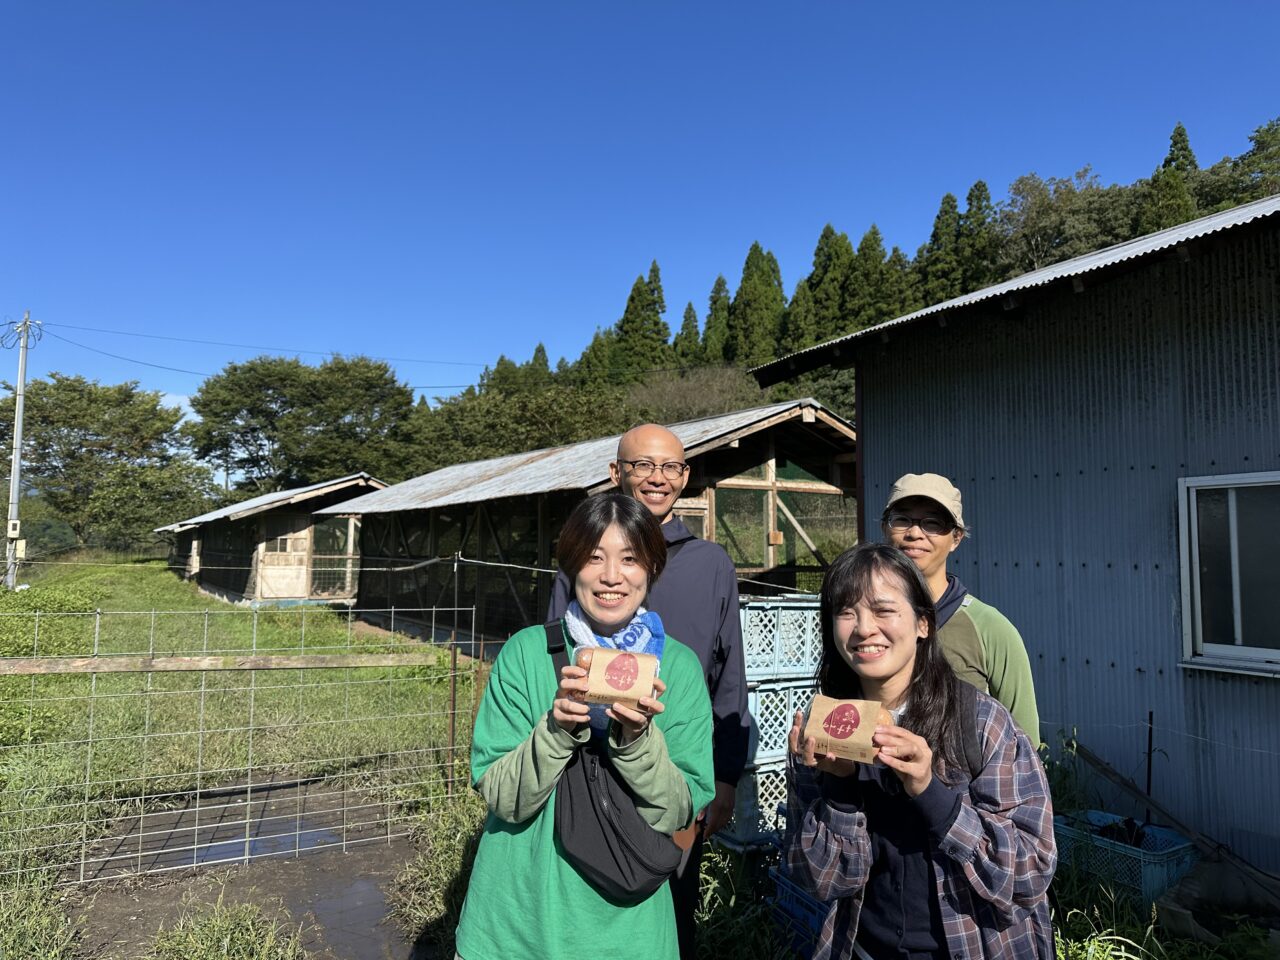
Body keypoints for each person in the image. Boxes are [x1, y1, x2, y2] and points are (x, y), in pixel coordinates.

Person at [456, 493, 714, 960]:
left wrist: (637, 742)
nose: (612, 576)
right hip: (515, 921)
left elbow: (678, 811)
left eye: (630, 559)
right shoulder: (525, 652)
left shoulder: (678, 666)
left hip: (627, 929)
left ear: (652, 568)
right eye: (594, 558)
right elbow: (501, 798)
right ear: (571, 565)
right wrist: (556, 728)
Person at [785, 542, 1055, 960]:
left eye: (883, 610)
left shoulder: (981, 722)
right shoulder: (823, 729)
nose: (863, 628)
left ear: (923, 624)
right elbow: (817, 880)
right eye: (846, 612)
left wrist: (931, 792)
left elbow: (1030, 871)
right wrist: (837, 791)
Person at [547, 423, 749, 959]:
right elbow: (555, 653)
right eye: (642, 465)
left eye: (670, 467)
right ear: (616, 473)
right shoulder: (583, 561)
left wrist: (725, 775)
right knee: (583, 902)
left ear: (684, 477)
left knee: (672, 902)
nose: (657, 479)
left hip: (677, 770)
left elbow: (729, 675)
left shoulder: (710, 564)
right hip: (587, 765)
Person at [881, 473, 1041, 743]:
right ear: (886, 528)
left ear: (956, 538)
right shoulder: (866, 623)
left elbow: (1025, 744)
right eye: (902, 520)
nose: (914, 533)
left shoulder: (988, 628)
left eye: (932, 523)